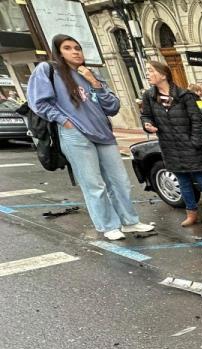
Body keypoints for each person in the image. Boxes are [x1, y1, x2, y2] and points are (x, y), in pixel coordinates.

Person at [27, 34, 154, 241]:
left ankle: (129, 221)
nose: (75, 51)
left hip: (103, 133)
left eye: (78, 47)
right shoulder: (49, 70)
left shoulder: (90, 73)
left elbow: (112, 107)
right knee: (94, 183)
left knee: (120, 181)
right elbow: (38, 102)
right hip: (75, 134)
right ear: (59, 52)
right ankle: (108, 225)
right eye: (68, 48)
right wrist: (64, 121)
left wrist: (93, 81)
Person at [140, 61, 202, 227]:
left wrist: (196, 143)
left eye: (150, 70)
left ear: (163, 74)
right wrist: (147, 125)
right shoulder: (149, 96)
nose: (147, 74)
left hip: (190, 146)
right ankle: (192, 213)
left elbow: (197, 121)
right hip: (170, 147)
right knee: (183, 182)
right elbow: (146, 116)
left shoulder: (184, 95)